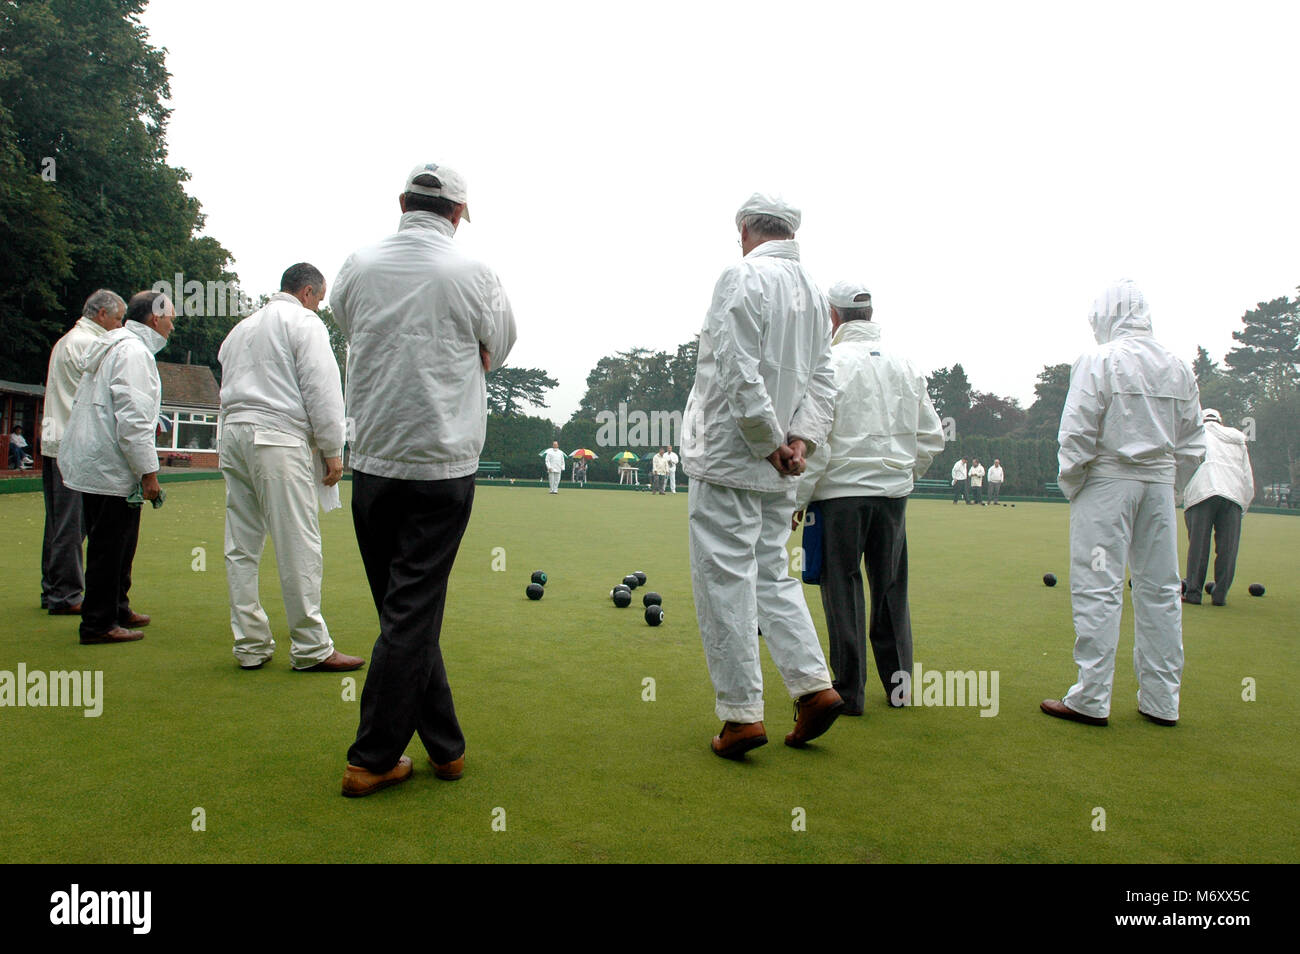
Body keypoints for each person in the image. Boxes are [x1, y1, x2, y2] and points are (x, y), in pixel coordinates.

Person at [331, 161, 516, 796]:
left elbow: (349, 324)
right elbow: (502, 344)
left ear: (401, 201)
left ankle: (446, 747)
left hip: (376, 460)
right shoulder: (475, 273)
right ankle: (373, 758)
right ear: (459, 214)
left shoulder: (356, 264)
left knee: (401, 609)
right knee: (409, 612)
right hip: (442, 464)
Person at [682, 192, 841, 759]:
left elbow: (734, 366)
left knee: (725, 579)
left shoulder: (740, 276)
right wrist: (800, 440)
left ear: (745, 228)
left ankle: (741, 715)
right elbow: (823, 380)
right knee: (774, 575)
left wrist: (766, 440)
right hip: (784, 463)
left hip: (732, 457)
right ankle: (813, 686)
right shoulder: (815, 291)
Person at [1042, 279, 1204, 728]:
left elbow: (1076, 431)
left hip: (1107, 482)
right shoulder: (1178, 365)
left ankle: (1091, 697)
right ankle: (1162, 700)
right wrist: (1171, 487)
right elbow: (1193, 442)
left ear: (1105, 316)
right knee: (1161, 591)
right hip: (1159, 485)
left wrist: (1074, 483)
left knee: (1099, 585)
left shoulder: (1098, 359)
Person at [793, 281, 944, 714]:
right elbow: (931, 437)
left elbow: (816, 439)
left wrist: (798, 500)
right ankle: (900, 690)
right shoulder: (906, 364)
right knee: (891, 588)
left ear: (833, 317)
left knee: (841, 586)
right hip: (892, 495)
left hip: (839, 495)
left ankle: (849, 691)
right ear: (870, 316)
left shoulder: (829, 364)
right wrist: (902, 474)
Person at [217, 262, 363, 672]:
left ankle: (249, 644)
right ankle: (312, 646)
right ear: (308, 293)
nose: (318, 307)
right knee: (298, 542)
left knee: (241, 545)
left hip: (234, 434)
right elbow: (322, 388)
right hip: (277, 438)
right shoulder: (304, 323)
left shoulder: (240, 330)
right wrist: (334, 450)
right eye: (319, 299)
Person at [58, 291, 175, 644]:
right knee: (111, 545)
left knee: (121, 543)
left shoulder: (116, 345)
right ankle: (98, 623)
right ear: (155, 319)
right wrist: (148, 472)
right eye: (170, 318)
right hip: (112, 466)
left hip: (99, 462)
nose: (172, 326)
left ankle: (117, 607)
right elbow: (134, 418)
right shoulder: (134, 353)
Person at [41, 290, 125, 615]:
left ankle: (52, 590)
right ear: (102, 314)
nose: (119, 327)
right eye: (117, 320)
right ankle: (66, 595)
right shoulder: (89, 345)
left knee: (58, 524)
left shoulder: (67, 340)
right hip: (71, 447)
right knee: (71, 527)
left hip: (55, 442)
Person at [1181, 408, 1254, 606]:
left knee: (1198, 546)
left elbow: (1185, 463)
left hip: (1202, 492)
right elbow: (1247, 476)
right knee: (1228, 548)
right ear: (1220, 421)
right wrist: (1244, 505)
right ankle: (1220, 596)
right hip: (1233, 495)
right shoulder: (1238, 439)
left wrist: (1181, 495)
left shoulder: (1195, 433)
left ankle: (1194, 594)